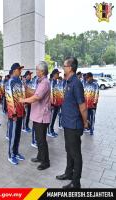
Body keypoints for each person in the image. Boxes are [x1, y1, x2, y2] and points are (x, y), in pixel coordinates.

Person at [56, 56, 88, 189]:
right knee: (68, 150)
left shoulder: (76, 83)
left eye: (64, 66)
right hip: (67, 124)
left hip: (74, 125)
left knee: (75, 154)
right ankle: (68, 173)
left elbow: (82, 106)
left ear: (70, 68)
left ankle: (76, 182)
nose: (63, 68)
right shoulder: (68, 82)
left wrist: (85, 122)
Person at [20, 61, 51, 170]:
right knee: (39, 138)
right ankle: (40, 156)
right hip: (37, 115)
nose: (36, 71)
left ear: (42, 71)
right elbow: (34, 92)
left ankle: (45, 162)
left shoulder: (45, 83)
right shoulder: (40, 81)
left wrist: (23, 100)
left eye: (37, 69)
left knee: (41, 139)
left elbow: (36, 97)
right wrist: (25, 86)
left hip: (42, 116)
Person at [5, 63, 25, 165]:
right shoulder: (10, 82)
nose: (20, 71)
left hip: (20, 112)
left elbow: (22, 96)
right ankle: (11, 155)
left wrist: (23, 109)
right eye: (19, 69)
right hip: (14, 114)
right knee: (12, 134)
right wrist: (13, 114)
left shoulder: (19, 82)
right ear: (14, 71)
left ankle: (16, 152)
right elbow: (9, 99)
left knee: (18, 134)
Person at [48, 69, 61, 137]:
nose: (58, 75)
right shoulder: (52, 82)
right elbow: (51, 93)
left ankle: (51, 129)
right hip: (53, 104)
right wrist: (52, 104)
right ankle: (49, 131)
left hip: (56, 103)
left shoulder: (56, 81)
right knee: (52, 118)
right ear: (54, 74)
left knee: (54, 117)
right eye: (57, 74)